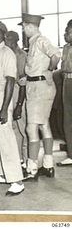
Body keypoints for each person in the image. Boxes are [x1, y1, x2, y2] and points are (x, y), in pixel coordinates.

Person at [18, 13, 61, 181]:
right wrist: (28, 78)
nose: (23, 30)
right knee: (44, 125)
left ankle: (31, 169)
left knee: (31, 128)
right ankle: (48, 165)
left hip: (39, 88)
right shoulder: (34, 42)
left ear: (30, 26)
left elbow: (56, 55)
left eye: (24, 26)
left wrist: (50, 69)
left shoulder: (40, 40)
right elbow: (36, 67)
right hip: (37, 85)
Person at [0, 20, 24, 196]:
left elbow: (10, 81)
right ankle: (1, 173)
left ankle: (16, 180)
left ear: (1, 35)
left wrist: (4, 107)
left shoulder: (7, 54)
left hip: (1, 98)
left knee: (6, 139)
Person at [5, 31, 28, 169]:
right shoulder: (6, 55)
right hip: (9, 92)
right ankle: (18, 158)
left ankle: (28, 160)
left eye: (8, 39)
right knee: (13, 128)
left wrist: (19, 104)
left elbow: (23, 81)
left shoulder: (22, 56)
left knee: (24, 127)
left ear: (15, 41)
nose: (6, 41)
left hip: (20, 92)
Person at [57, 19, 72, 167]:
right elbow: (62, 67)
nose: (64, 35)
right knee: (67, 119)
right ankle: (71, 154)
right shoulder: (66, 48)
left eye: (67, 32)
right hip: (67, 83)